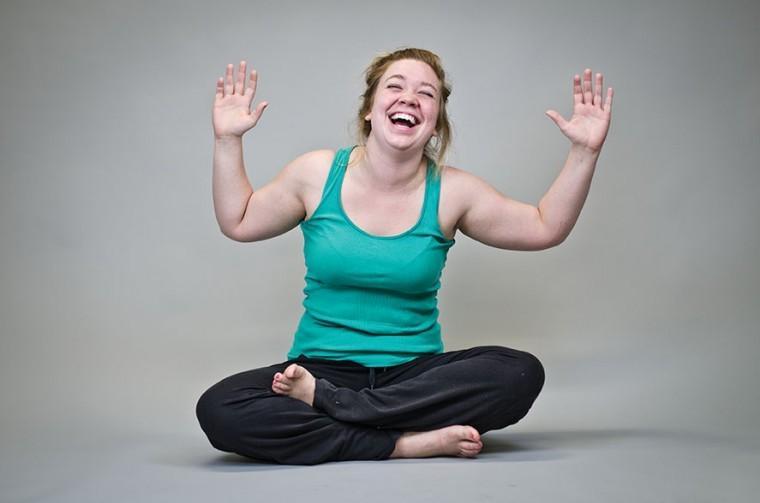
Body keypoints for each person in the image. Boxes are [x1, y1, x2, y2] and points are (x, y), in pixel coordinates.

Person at [196, 47, 613, 465]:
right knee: (220, 408)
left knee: (520, 372)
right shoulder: (316, 174)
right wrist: (227, 139)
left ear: (434, 124)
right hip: (320, 367)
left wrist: (585, 152)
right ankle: (404, 442)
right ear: (369, 110)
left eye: (426, 94)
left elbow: (544, 227)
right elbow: (240, 220)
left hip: (414, 378)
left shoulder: (453, 192)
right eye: (395, 87)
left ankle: (336, 410)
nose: (410, 98)